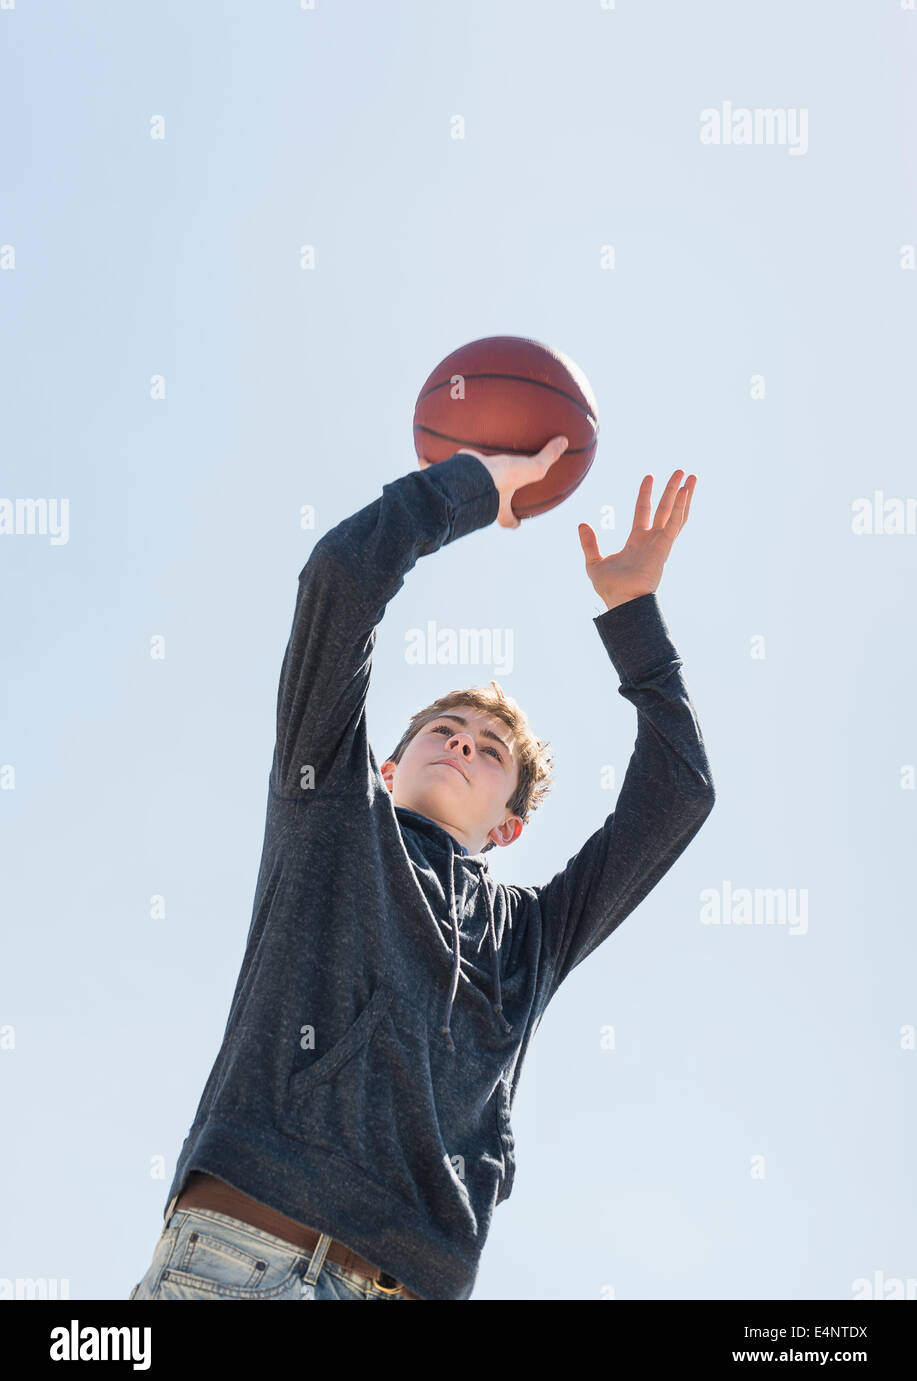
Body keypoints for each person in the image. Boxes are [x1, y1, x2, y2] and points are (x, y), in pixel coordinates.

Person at [128, 438, 715, 1301]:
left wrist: (632, 610)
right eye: (440, 729)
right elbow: (338, 579)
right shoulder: (329, 809)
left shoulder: (534, 938)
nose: (461, 743)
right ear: (388, 768)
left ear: (509, 826)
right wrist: (474, 486)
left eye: (488, 750)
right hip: (234, 1258)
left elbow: (680, 792)